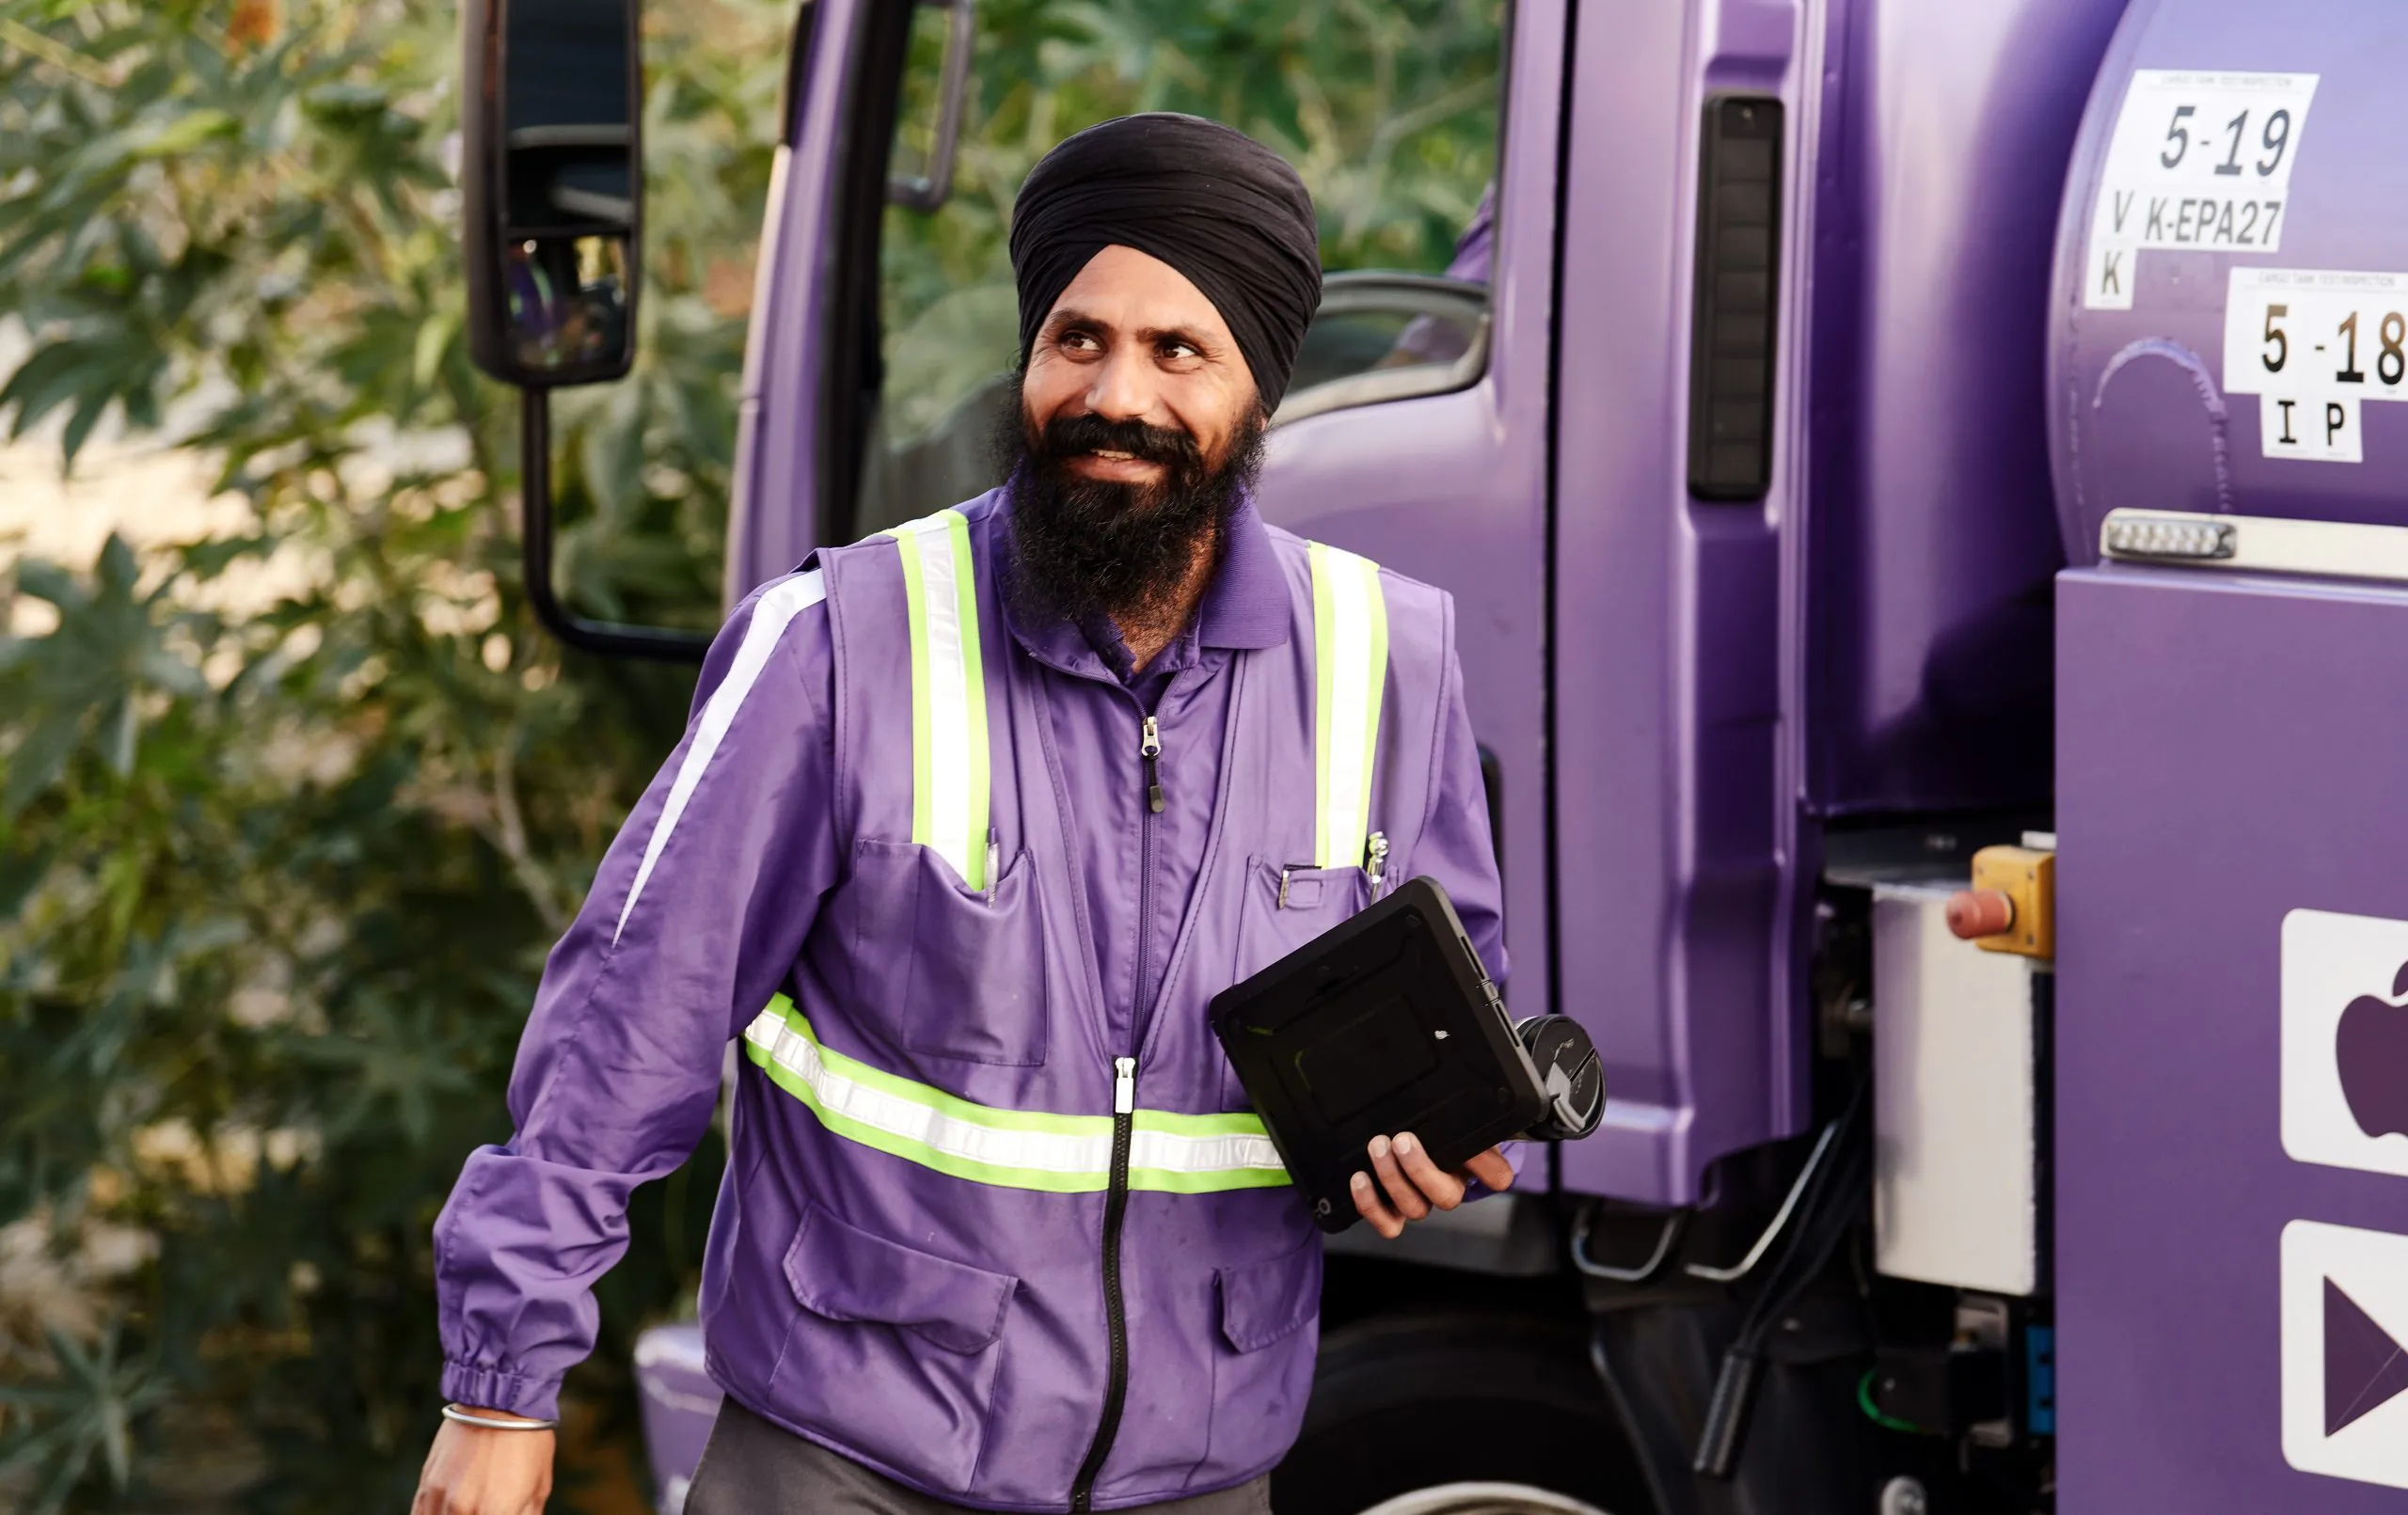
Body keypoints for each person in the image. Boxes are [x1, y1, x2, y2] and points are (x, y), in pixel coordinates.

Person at [412, 112, 1512, 1515]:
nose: (1119, 392)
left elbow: (1450, 995)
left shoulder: (1385, 655)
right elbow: (626, 1024)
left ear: (1260, 392)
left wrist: (1424, 1145)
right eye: (1079, 338)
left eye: (1181, 351)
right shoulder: (839, 638)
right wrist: (499, 1380)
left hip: (1200, 1468)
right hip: (848, 1452)